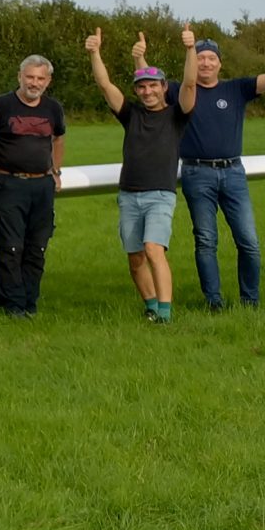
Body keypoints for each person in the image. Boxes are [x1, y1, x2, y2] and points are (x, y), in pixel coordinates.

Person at [170, 22, 265, 310]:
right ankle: (214, 301)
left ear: (219, 64)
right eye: (200, 57)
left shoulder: (236, 89)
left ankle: (249, 300)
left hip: (233, 173)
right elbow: (148, 83)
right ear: (193, 61)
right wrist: (142, 57)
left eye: (211, 58)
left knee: (248, 241)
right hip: (196, 173)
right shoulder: (181, 91)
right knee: (205, 241)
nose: (205, 62)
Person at [87, 26, 199, 322]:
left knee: (153, 249)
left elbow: (190, 84)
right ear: (137, 91)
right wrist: (95, 52)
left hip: (160, 195)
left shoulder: (177, 115)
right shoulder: (131, 114)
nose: (147, 92)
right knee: (135, 258)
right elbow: (104, 84)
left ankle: (165, 313)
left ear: (164, 87)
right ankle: (150, 306)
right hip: (128, 195)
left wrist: (191, 49)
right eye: (142, 87)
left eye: (153, 86)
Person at [0, 56, 65, 318]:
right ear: (20, 77)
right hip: (8, 183)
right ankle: (11, 304)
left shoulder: (53, 108)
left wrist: (55, 171)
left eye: (40, 78)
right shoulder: (1, 105)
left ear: (47, 81)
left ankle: (29, 301)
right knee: (11, 246)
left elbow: (58, 139)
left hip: (42, 185)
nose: (34, 83)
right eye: (30, 77)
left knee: (37, 246)